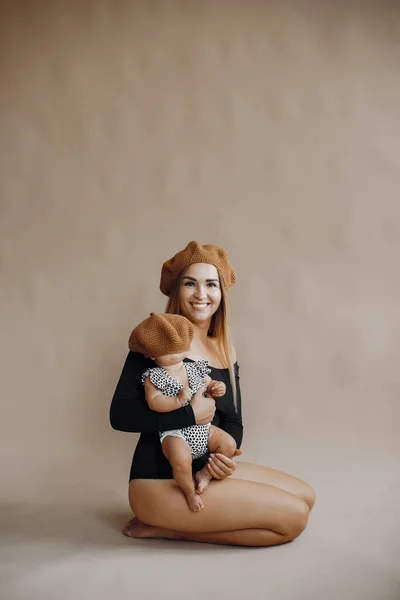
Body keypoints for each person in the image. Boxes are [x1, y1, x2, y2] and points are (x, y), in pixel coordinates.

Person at [110, 241, 315, 547]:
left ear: (222, 291)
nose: (201, 295)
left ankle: (179, 523)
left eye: (211, 284)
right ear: (177, 289)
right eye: (190, 283)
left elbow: (233, 420)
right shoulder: (158, 342)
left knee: (306, 497)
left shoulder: (223, 348)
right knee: (295, 518)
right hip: (160, 481)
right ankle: (170, 527)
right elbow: (120, 415)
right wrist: (188, 414)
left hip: (204, 471)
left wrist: (223, 458)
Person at [128, 312, 237, 512]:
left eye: (180, 348)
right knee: (181, 459)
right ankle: (189, 492)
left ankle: (205, 474)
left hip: (203, 429)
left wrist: (216, 387)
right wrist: (177, 401)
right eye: (169, 350)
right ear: (153, 355)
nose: (178, 353)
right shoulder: (154, 376)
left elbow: (208, 383)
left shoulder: (193, 368)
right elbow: (154, 402)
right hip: (176, 433)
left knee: (229, 444)